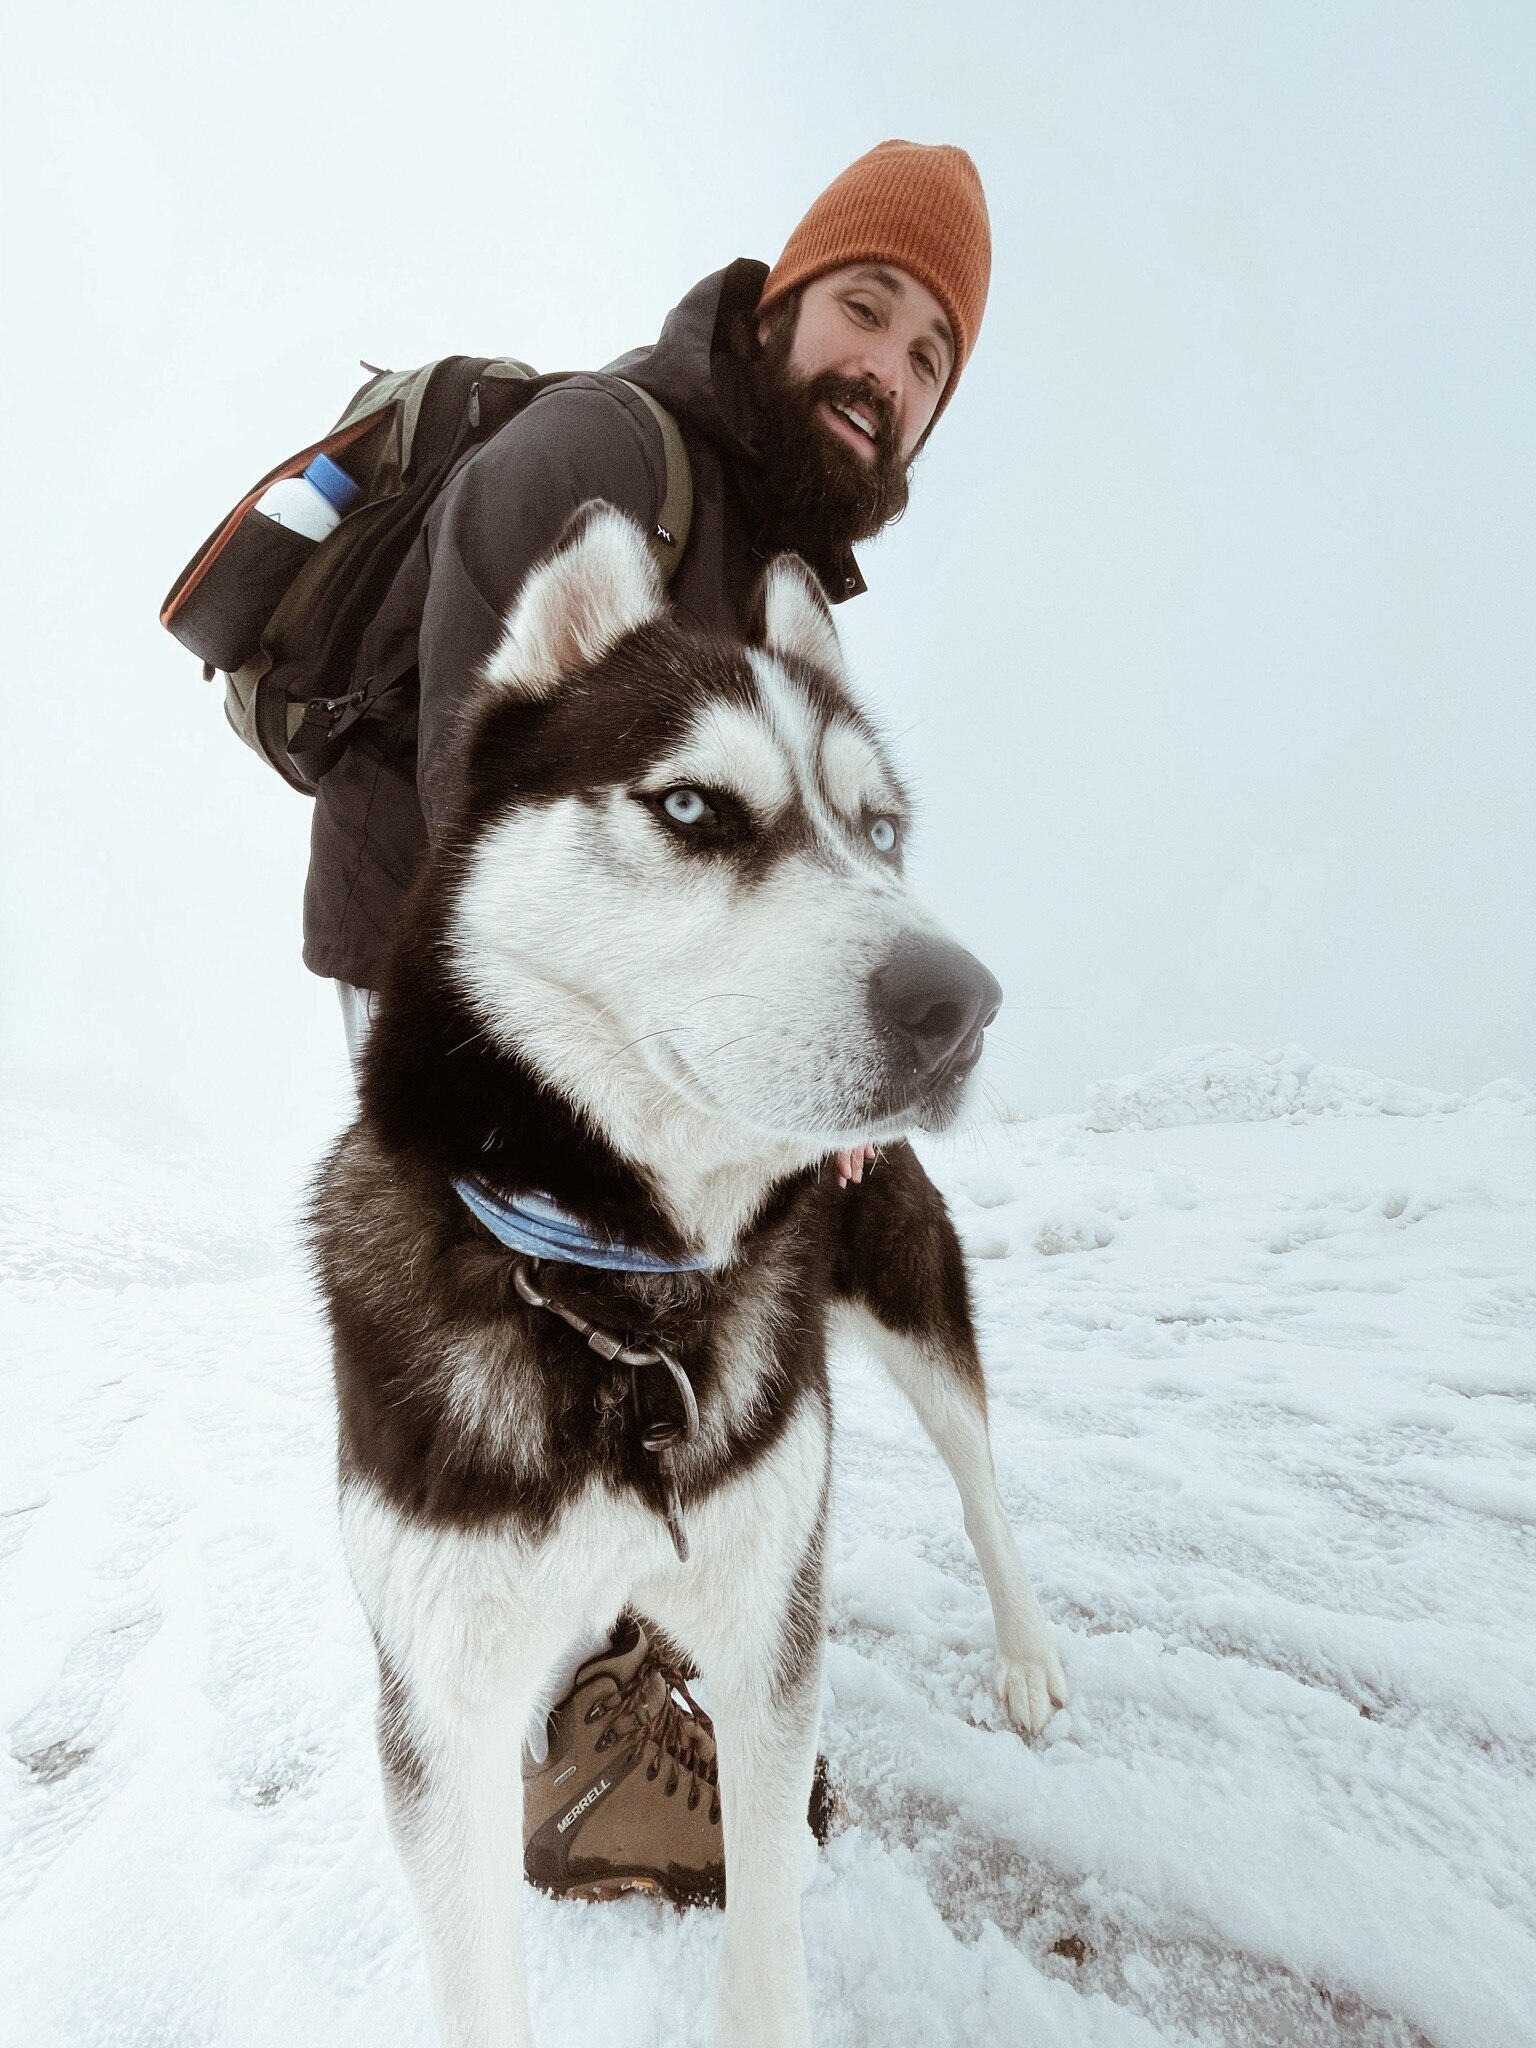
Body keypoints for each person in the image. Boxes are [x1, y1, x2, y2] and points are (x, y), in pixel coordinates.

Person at [306, 138, 992, 1900]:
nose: (890, 371)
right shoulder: (607, 452)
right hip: (463, 961)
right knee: (517, 1352)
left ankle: (623, 1655)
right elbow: (490, 783)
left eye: (932, 357)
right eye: (866, 309)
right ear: (779, 302)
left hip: (622, 989)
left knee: (642, 1340)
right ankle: (566, 1746)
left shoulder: (772, 550)